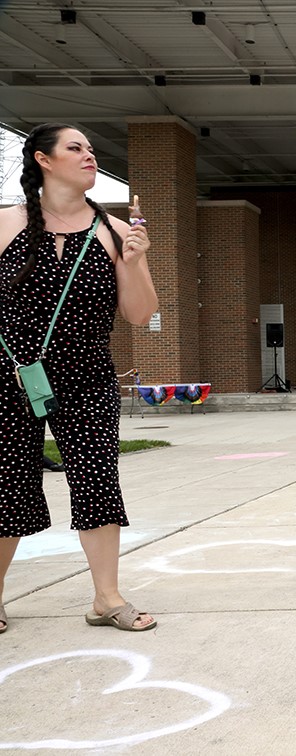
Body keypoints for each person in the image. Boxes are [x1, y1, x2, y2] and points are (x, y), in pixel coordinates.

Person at [0, 123, 159, 634]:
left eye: (91, 149)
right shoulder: (7, 223)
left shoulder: (113, 231)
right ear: (44, 160)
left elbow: (140, 314)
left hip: (87, 373)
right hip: (11, 374)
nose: (89, 156)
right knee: (7, 484)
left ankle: (106, 598)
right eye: (76, 148)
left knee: (96, 479)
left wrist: (134, 263)